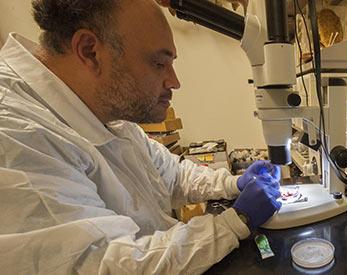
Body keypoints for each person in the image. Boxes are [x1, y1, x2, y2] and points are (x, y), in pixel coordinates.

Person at [0, 0, 282, 273]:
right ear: (89, 51)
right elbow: (102, 263)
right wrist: (236, 221)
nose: (174, 82)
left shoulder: (105, 111)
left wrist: (233, 183)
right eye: (159, 64)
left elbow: (170, 174)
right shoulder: (16, 131)